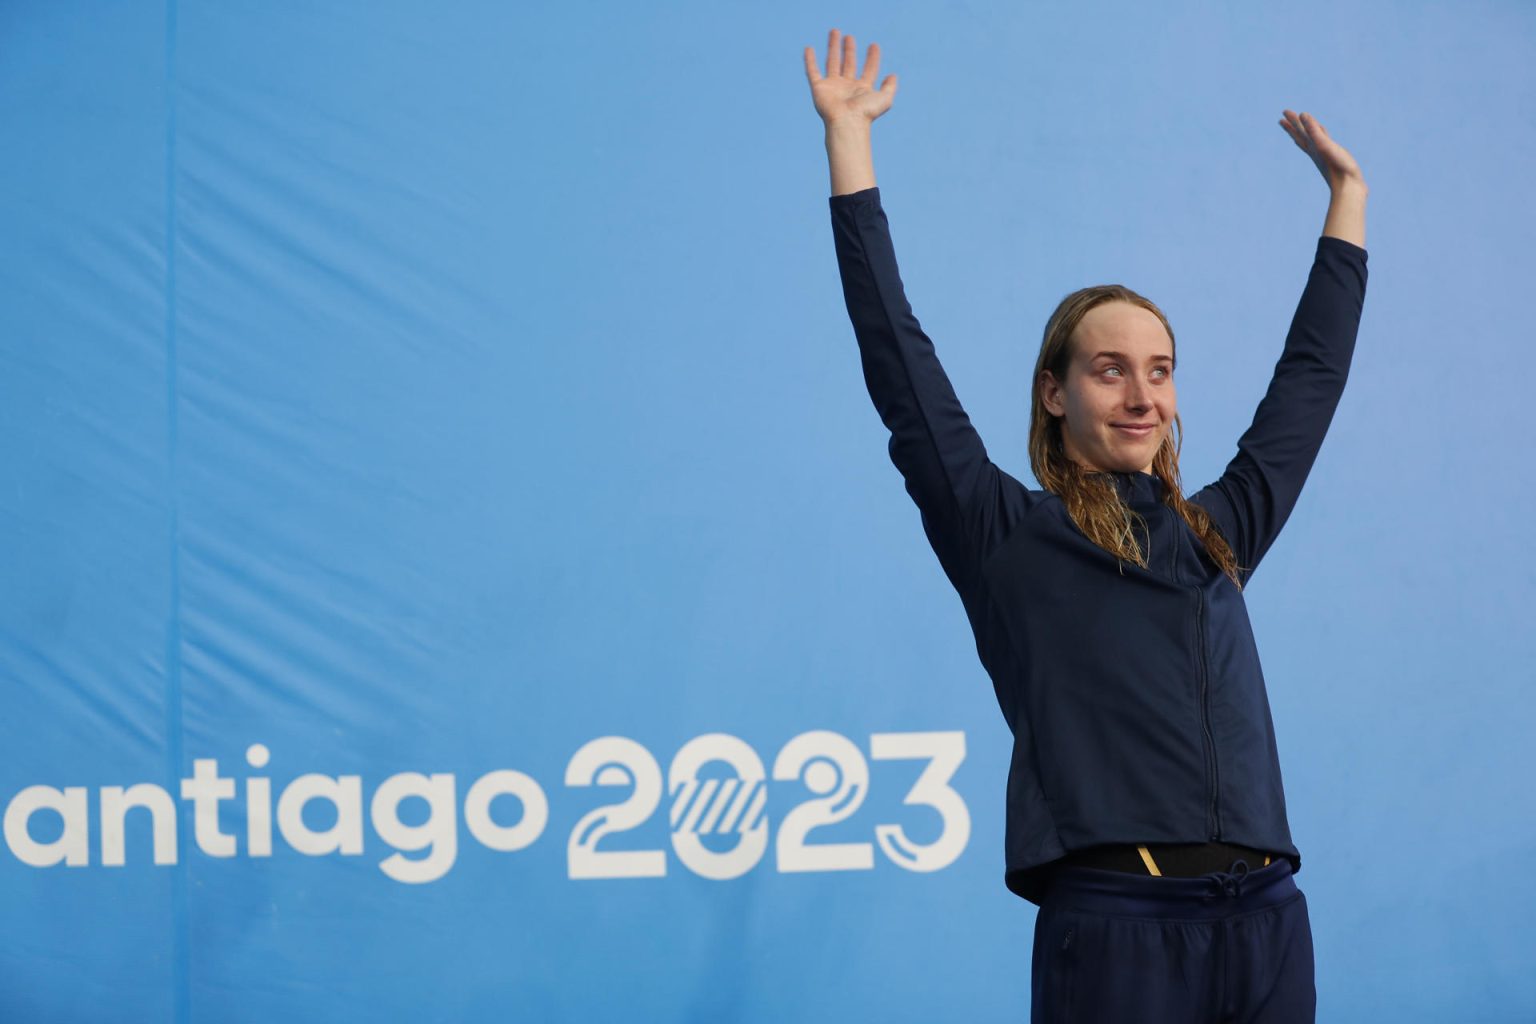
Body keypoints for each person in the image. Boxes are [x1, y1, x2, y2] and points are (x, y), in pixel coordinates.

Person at [804, 27, 1369, 1023]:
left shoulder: (1219, 532)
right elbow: (896, 357)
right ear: (1055, 393)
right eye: (1110, 368)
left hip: (1269, 920)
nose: (1143, 394)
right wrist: (850, 146)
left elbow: (1308, 384)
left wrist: (1347, 202)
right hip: (1118, 930)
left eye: (1160, 369)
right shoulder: (1002, 533)